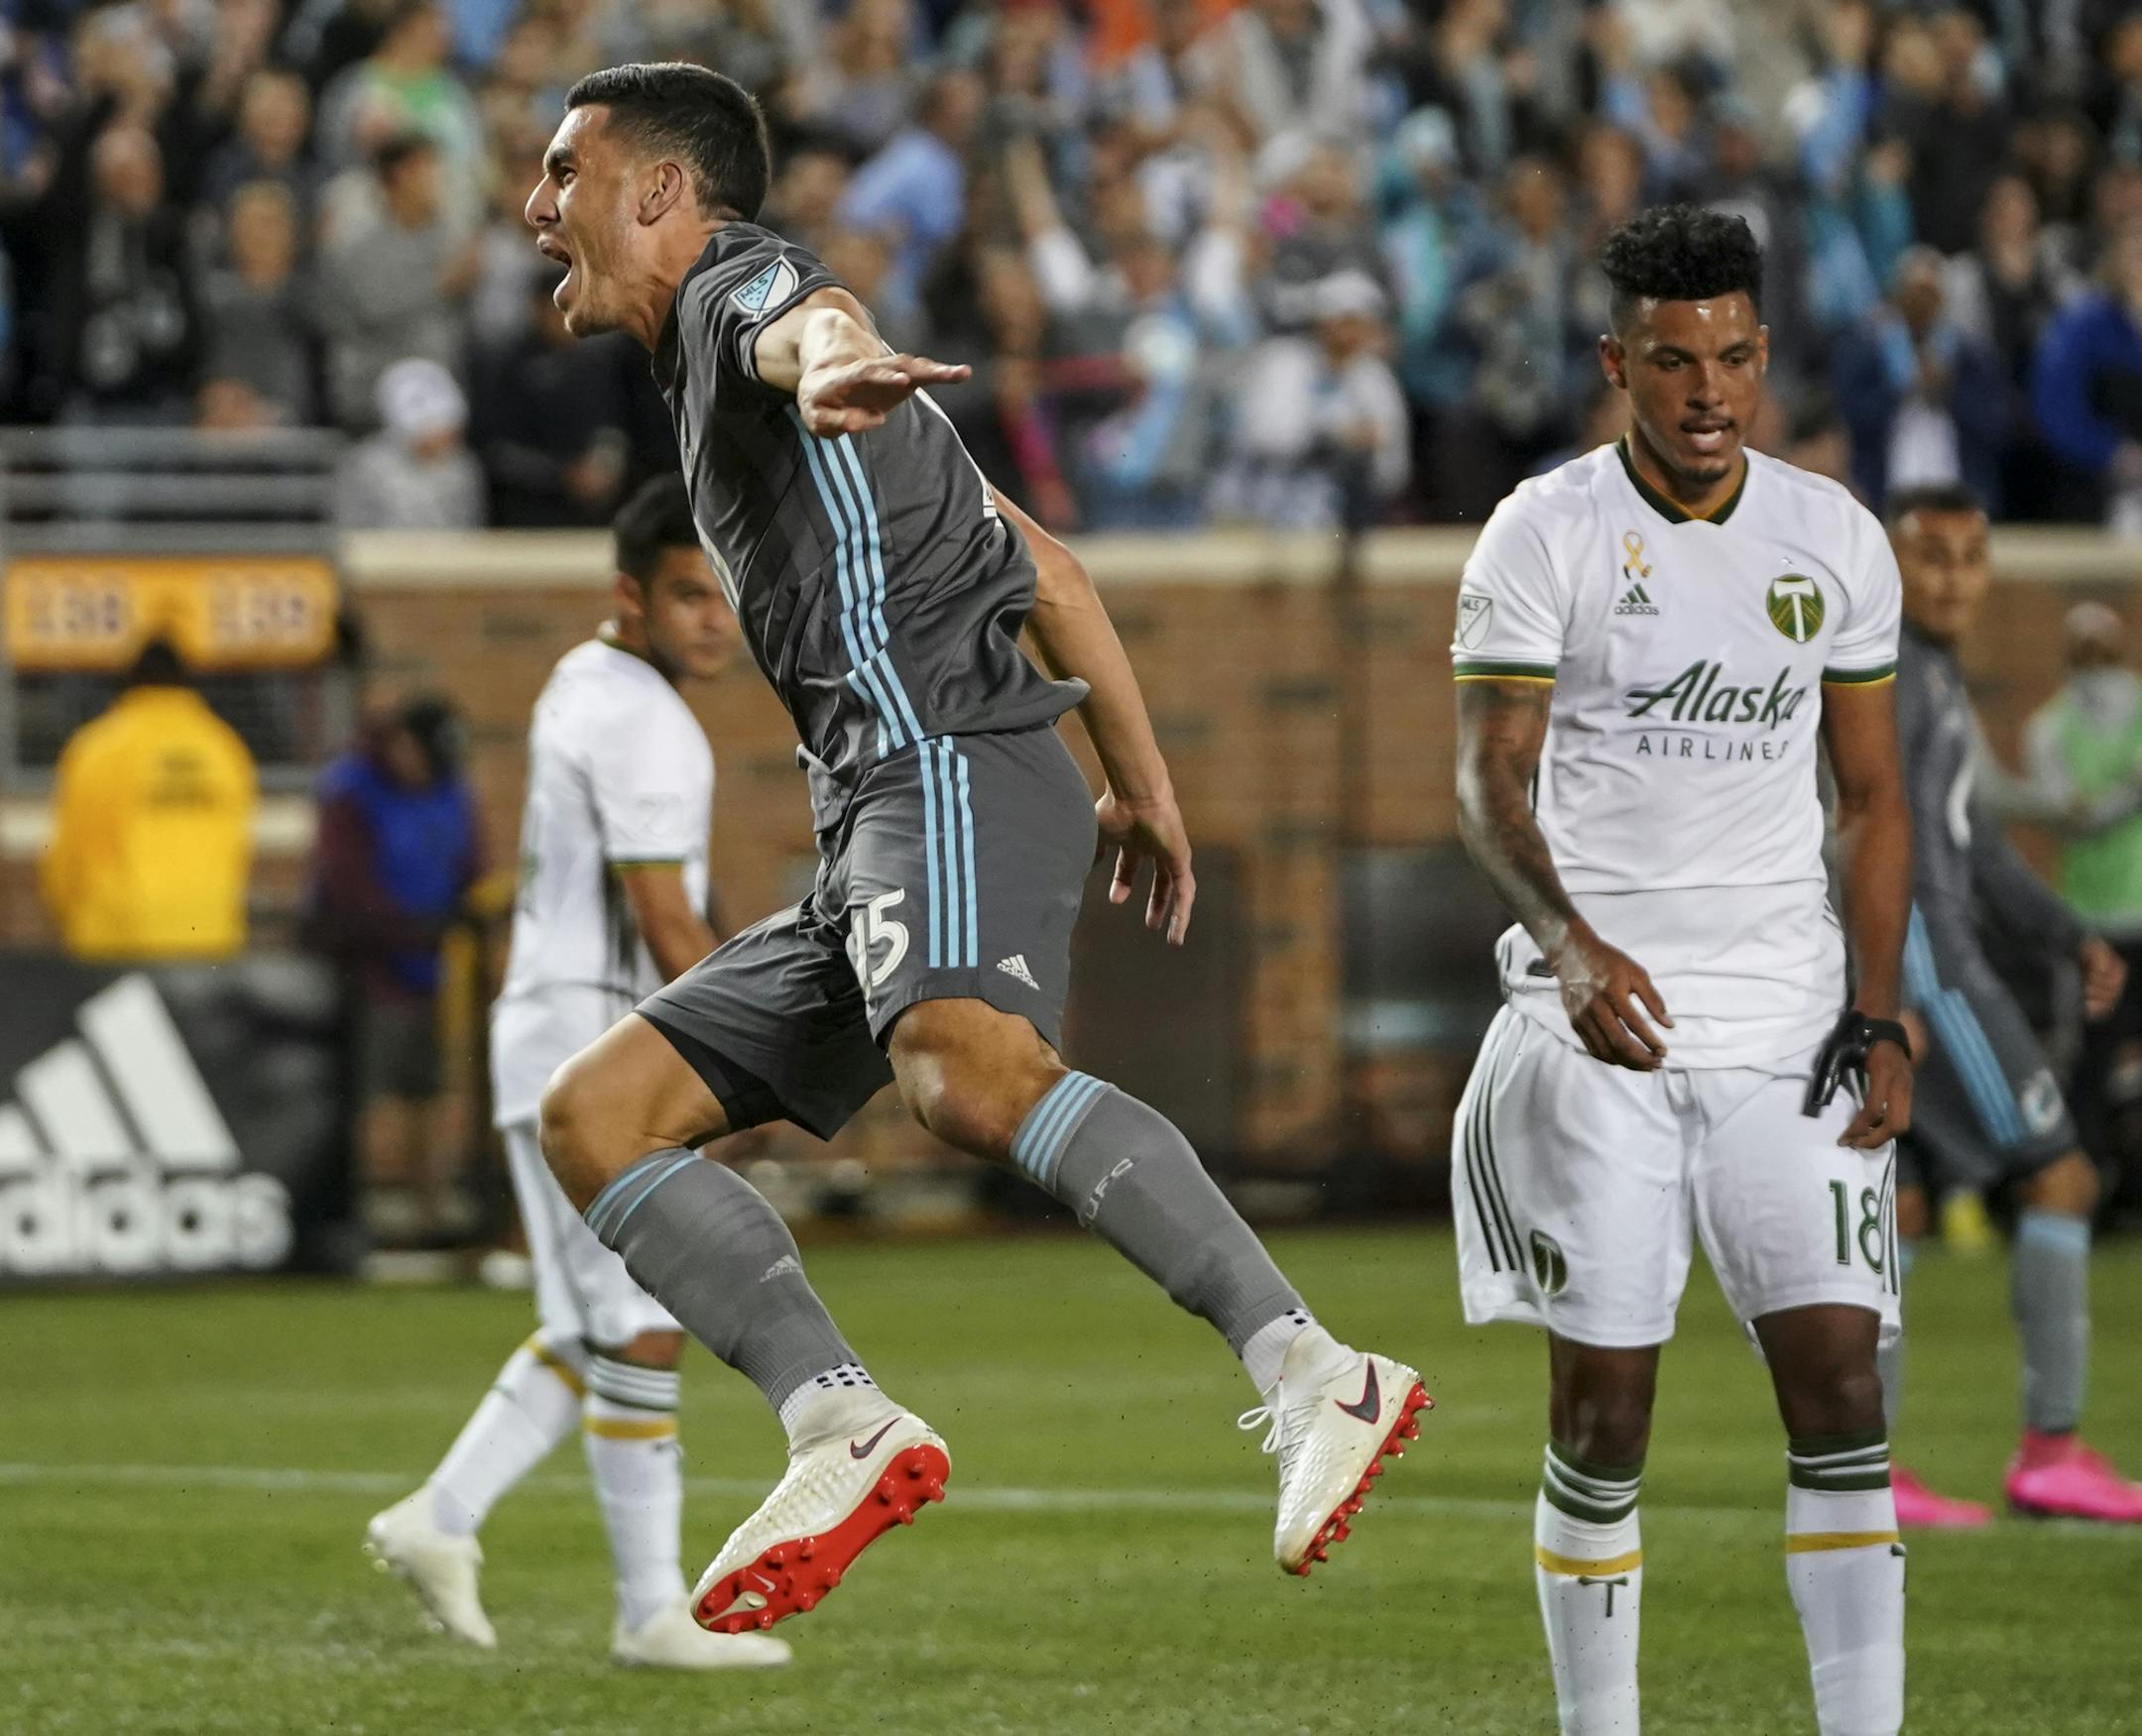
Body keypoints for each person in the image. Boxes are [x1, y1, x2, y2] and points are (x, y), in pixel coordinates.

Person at [521, 61, 1428, 1636]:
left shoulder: (743, 289)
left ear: (661, 191)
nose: (539, 206)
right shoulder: (722, 378)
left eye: (564, 172)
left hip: (939, 754)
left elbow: (803, 322)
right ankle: (838, 1419)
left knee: (966, 1072)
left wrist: (830, 365)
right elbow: (1052, 566)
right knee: (598, 1116)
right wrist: (1141, 784)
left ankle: (1312, 1367)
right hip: (879, 808)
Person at [1450, 206, 1914, 1736]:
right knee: (1604, 1419)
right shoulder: (1544, 532)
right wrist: (1572, 948)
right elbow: (1488, 785)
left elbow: (1872, 796)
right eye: (1672, 361)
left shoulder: (1835, 537)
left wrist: (1885, 1006)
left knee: (1845, 1395)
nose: (1708, 390)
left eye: (1732, 358)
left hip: (1791, 1026)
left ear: (1763, 356)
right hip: (1601, 1039)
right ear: (1615, 364)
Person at [365, 478, 782, 1670]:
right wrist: (745, 1064)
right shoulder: (647, 719)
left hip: (557, 1033)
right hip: (595, 1051)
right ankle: (651, 1610)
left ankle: (439, 1516)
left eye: (726, 597)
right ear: (630, 594)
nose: (715, 621)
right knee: (645, 1323)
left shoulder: (577, 680)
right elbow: (664, 916)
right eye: (691, 596)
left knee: (590, 1322)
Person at [1880, 487, 2142, 1527]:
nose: (1952, 576)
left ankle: (1869, 1470)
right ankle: (2052, 1447)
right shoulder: (1892, 676)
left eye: (1969, 556)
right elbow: (1869, 832)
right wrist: (1889, 992)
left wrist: (2059, 931)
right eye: (1929, 556)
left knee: (1893, 1205)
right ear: (1891, 566)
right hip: (1928, 970)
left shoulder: (1930, 676)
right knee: (2062, 1171)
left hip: (1926, 962)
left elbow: (1974, 840)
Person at [305, 695, 482, 1242]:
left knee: (427, 1090)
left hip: (427, 965)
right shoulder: (349, 789)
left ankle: (429, 1216)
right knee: (362, 1092)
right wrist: (413, 929)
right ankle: (347, 1215)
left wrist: (458, 917)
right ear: (402, 744)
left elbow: (470, 861)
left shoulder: (449, 785)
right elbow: (345, 885)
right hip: (362, 968)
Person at [2020, 602, 2142, 1200]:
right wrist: (2130, 790)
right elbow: (2067, 814)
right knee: (2092, 1063)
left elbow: (2081, 808)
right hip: (2090, 921)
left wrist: (2100, 801)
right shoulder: (2050, 727)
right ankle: (2087, 1191)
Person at [42, 637, 257, 961]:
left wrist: (70, 921)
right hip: (209, 935)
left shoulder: (98, 747)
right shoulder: (223, 746)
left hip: (117, 940)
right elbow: (240, 844)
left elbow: (69, 855)